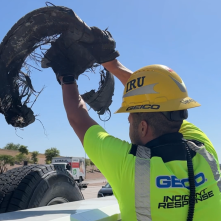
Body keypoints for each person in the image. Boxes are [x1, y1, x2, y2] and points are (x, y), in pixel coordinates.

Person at [44, 28, 221, 221]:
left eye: (130, 117)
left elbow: (78, 117)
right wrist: (112, 64)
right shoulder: (204, 150)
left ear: (143, 127)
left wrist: (67, 74)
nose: (128, 120)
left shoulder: (129, 165)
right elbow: (165, 102)